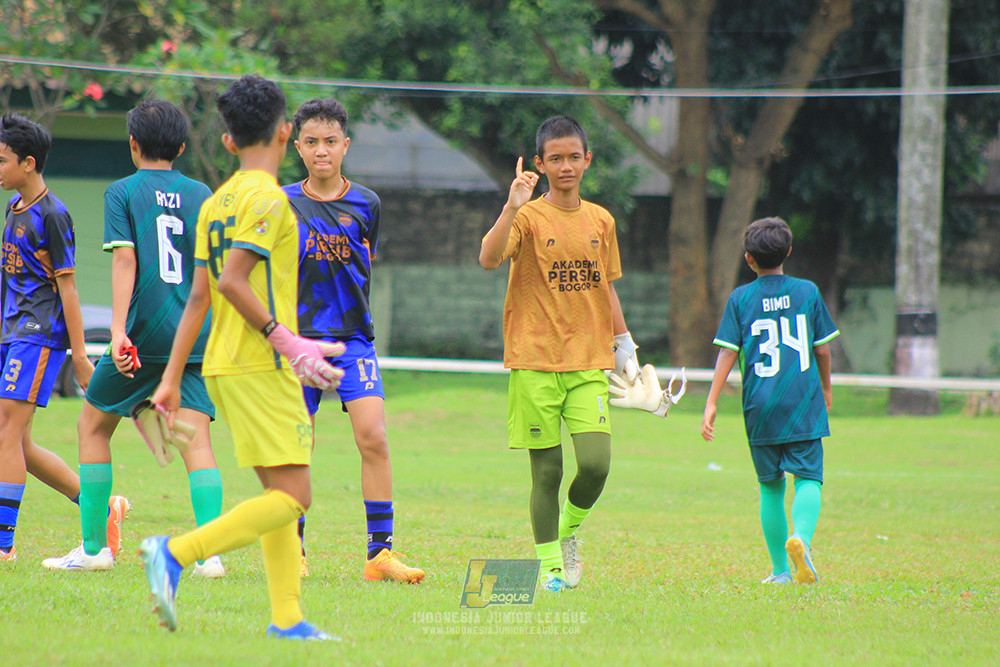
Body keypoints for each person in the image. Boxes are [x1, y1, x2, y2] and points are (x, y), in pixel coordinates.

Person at [140, 74, 344, 640]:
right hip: (261, 365)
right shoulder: (269, 200)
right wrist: (288, 340)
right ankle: (176, 552)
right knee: (294, 497)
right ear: (286, 132)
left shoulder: (216, 201)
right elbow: (232, 282)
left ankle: (288, 619)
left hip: (225, 367)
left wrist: (173, 377)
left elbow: (200, 298)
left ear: (228, 142)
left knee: (278, 493)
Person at [42, 99, 224, 575]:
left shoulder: (122, 191)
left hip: (142, 331)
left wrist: (119, 329)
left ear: (132, 144)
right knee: (196, 441)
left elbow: (125, 260)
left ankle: (95, 548)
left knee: (93, 426)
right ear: (182, 147)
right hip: (190, 332)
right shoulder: (201, 191)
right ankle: (209, 553)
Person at [478, 115, 640, 592]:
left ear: (587, 160)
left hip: (590, 360)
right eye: (555, 159)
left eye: (573, 157)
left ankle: (567, 531)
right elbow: (488, 259)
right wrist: (510, 207)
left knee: (596, 465)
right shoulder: (526, 218)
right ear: (541, 164)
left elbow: (604, 287)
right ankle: (549, 569)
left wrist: (624, 343)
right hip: (533, 360)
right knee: (547, 472)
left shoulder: (601, 220)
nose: (565, 165)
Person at [283, 97, 424, 583]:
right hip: (297, 342)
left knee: (374, 437)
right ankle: (292, 549)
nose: (321, 151)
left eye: (330, 142)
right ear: (296, 146)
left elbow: (366, 263)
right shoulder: (281, 202)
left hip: (354, 341)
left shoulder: (367, 203)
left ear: (346, 145)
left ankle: (379, 555)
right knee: (297, 443)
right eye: (311, 142)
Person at [700, 216, 839, 585]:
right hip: (802, 401)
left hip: (759, 406)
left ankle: (780, 570)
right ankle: (802, 542)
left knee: (770, 485)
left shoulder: (740, 298)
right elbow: (822, 350)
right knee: (808, 478)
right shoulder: (807, 292)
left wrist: (711, 401)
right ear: (788, 252)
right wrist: (825, 388)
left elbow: (727, 355)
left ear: (748, 259)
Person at [0, 113, 95, 562]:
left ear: (29, 163)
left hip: (39, 335)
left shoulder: (54, 214)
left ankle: (4, 545)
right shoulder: (13, 207)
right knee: (17, 441)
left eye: (2, 161)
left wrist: (79, 355)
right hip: (11, 332)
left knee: (6, 430)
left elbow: (69, 288)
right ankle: (102, 506)